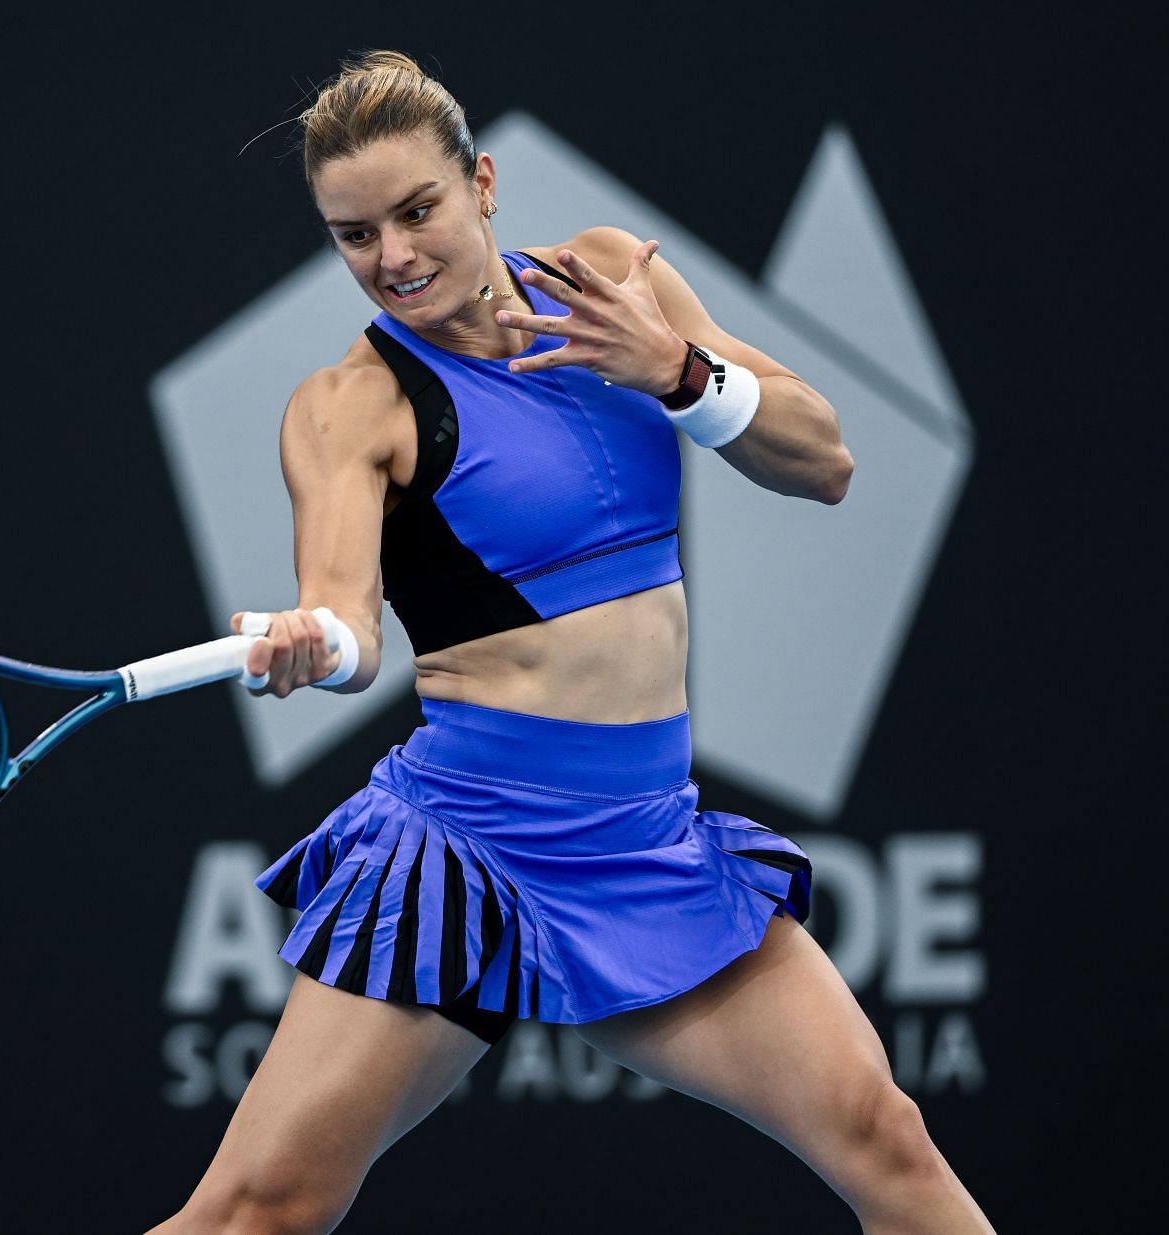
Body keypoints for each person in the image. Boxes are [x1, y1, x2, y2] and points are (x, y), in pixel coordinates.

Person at [150, 51, 994, 1235]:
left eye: (415, 211)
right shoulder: (352, 405)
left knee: (889, 1141)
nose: (391, 256)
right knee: (258, 1213)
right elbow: (345, 621)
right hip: (466, 851)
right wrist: (311, 644)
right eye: (352, 234)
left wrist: (676, 372)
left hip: (646, 840)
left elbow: (827, 459)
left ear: (484, 183)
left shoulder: (607, 277)